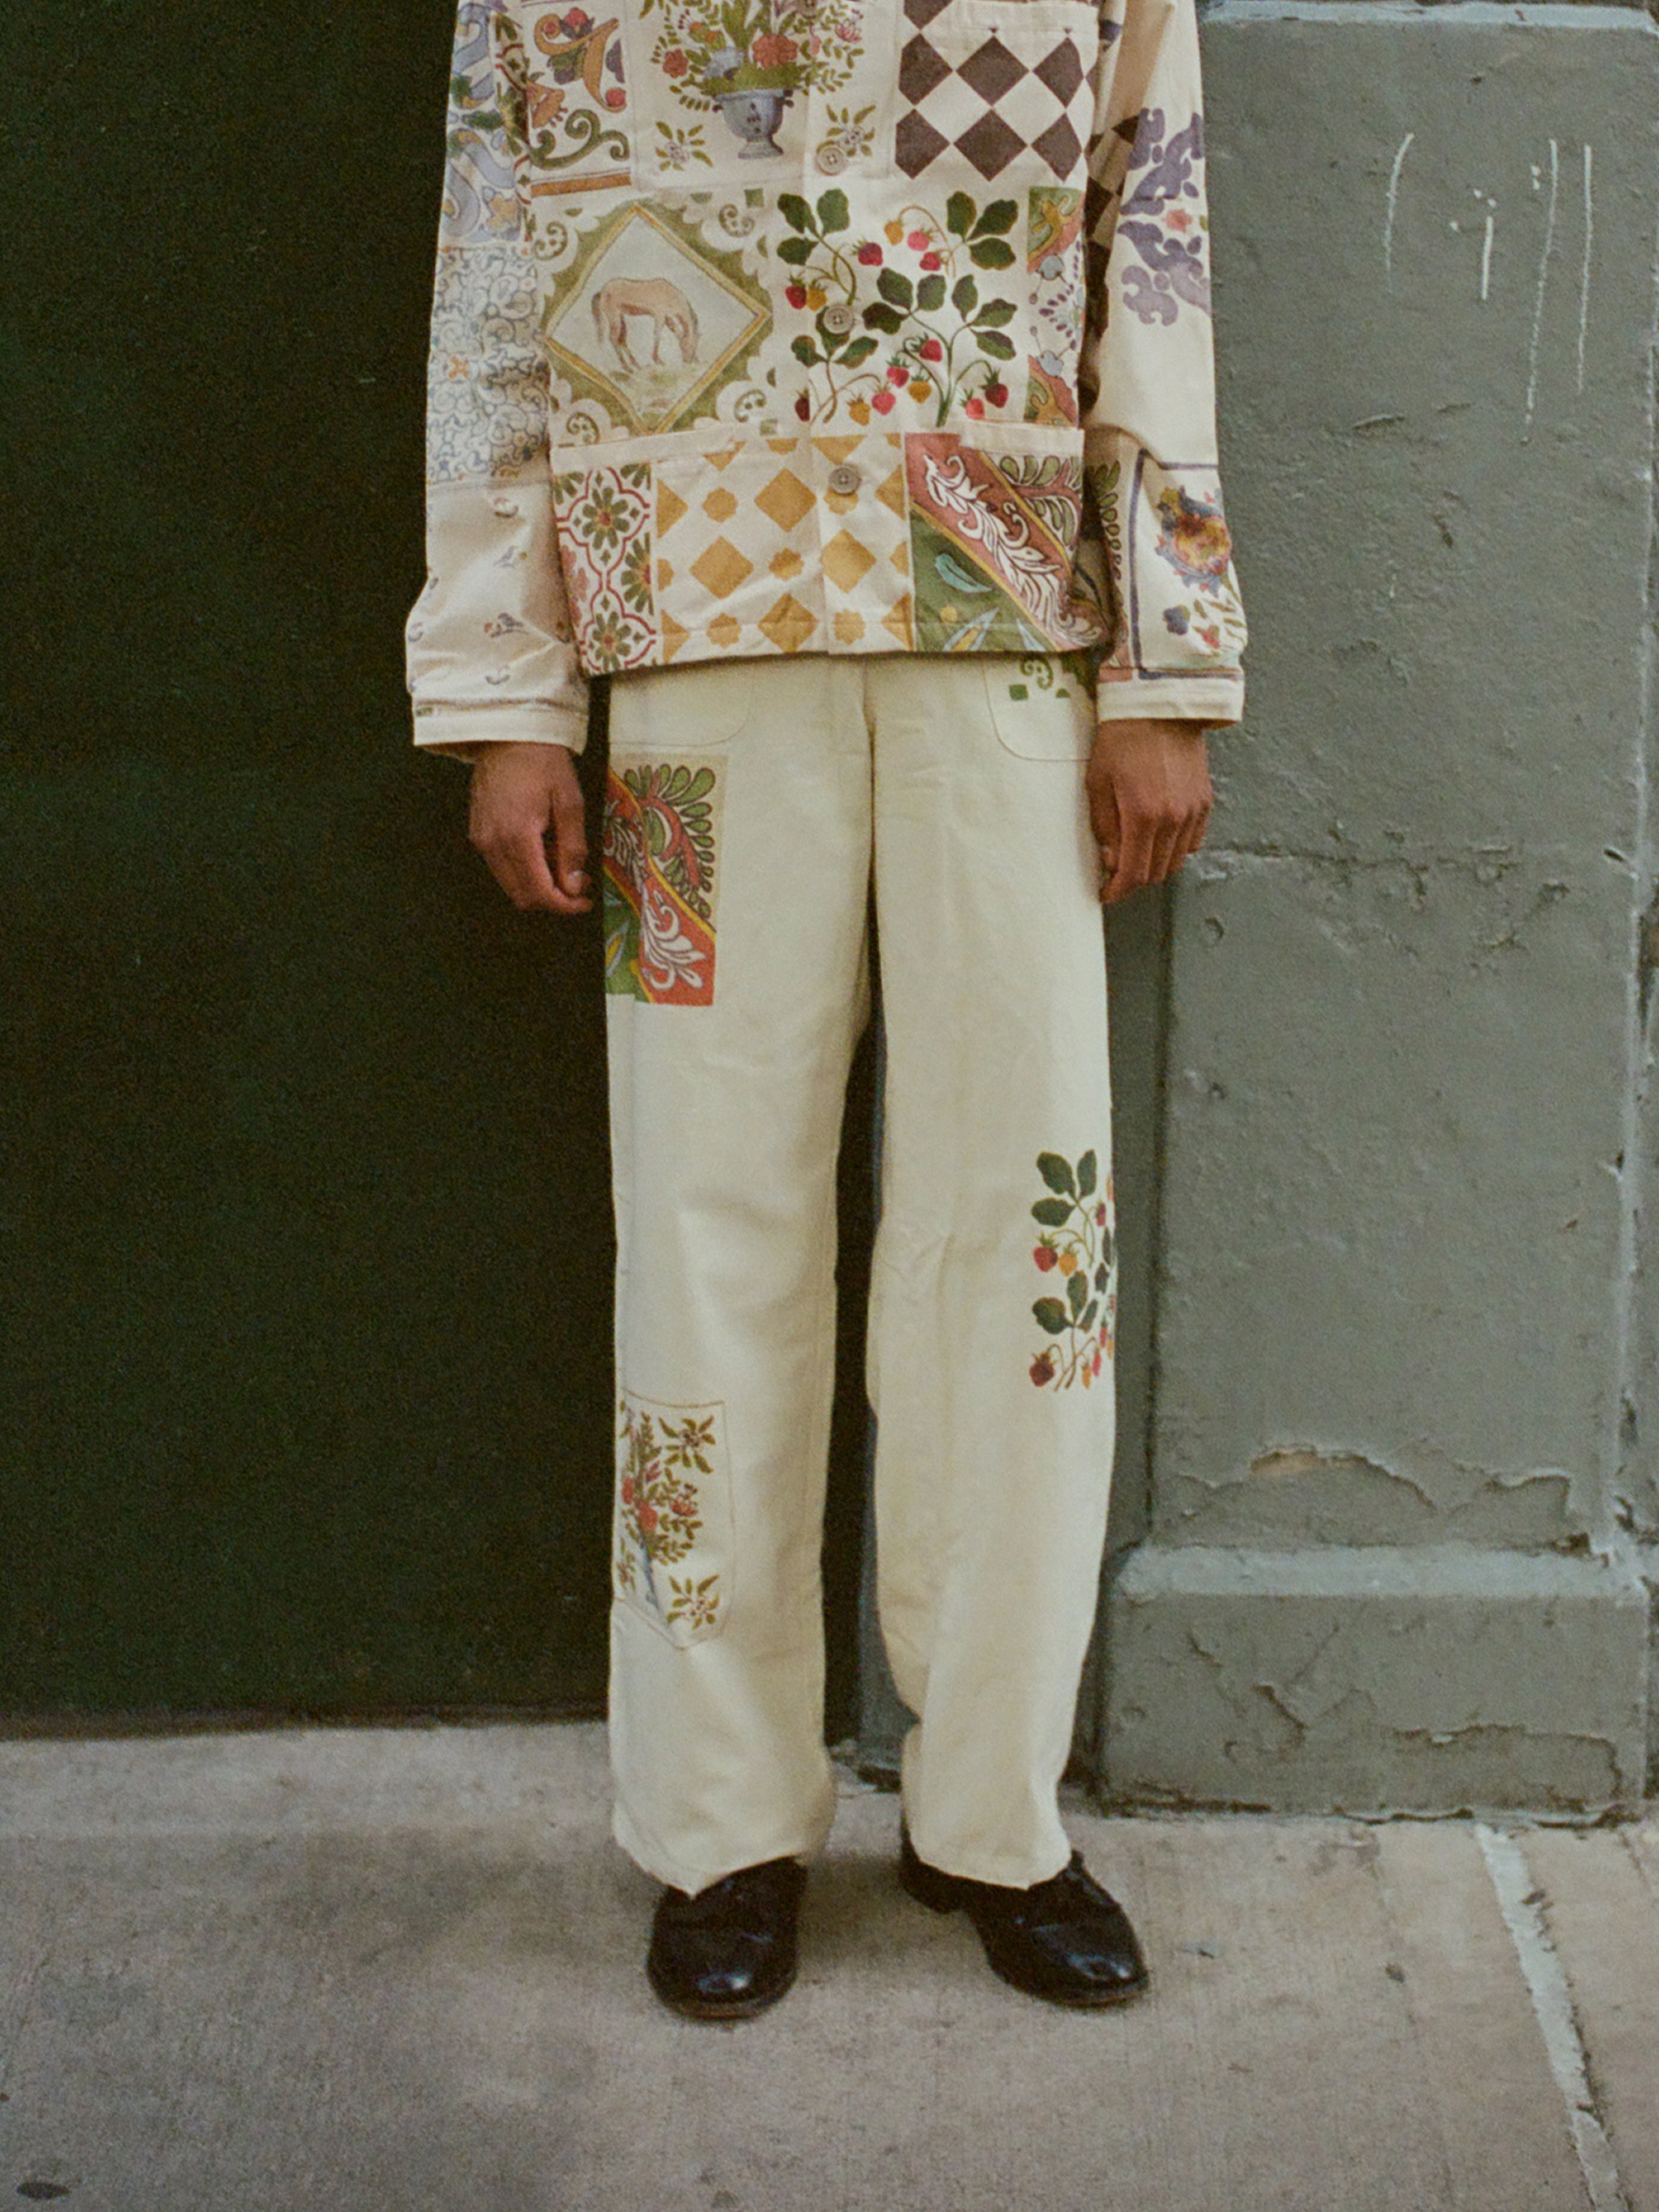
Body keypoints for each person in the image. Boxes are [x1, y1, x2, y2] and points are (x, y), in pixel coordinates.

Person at [409, 0, 1245, 2020]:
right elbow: (499, 294)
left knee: (1026, 1224)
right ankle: (721, 1826)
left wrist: (1160, 657)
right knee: (704, 1218)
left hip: (1006, 655)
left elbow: (1155, 240)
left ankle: (992, 1815)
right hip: (687, 663)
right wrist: (511, 693)